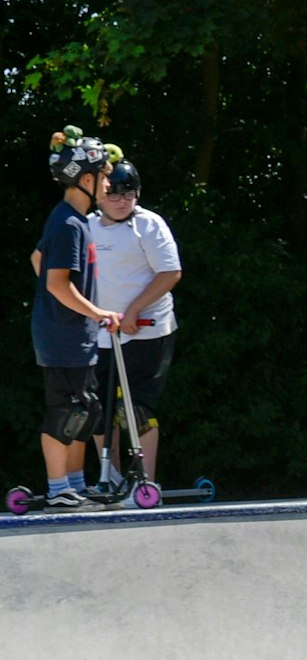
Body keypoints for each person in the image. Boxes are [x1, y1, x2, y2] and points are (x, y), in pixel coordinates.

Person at [32, 129, 120, 510]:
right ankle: (57, 489)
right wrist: (97, 312)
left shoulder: (76, 221)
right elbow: (56, 283)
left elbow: (37, 259)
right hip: (62, 337)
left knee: (87, 410)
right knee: (65, 412)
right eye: (104, 177)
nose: (108, 185)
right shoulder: (69, 224)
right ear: (86, 179)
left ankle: (74, 484)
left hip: (75, 335)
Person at [88, 147, 183, 489]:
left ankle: (145, 484)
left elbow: (169, 273)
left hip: (147, 330)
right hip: (101, 332)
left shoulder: (148, 224)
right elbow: (47, 262)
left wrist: (134, 310)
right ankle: (110, 479)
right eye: (113, 193)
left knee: (137, 408)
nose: (121, 201)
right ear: (100, 194)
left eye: (128, 193)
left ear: (138, 194)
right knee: (98, 408)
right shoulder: (86, 226)